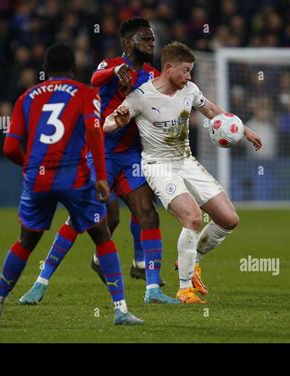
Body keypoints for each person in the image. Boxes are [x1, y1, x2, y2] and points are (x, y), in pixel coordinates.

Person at [20, 18, 178, 305]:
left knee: (147, 212)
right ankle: (40, 283)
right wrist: (117, 71)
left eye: (153, 39)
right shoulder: (111, 65)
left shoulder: (154, 75)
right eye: (147, 38)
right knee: (98, 217)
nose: (152, 43)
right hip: (99, 152)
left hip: (130, 153)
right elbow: (95, 79)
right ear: (130, 43)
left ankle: (152, 290)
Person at [0, 43, 143, 326]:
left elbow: (9, 147)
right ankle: (120, 310)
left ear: (44, 70)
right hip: (75, 177)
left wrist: (29, 167)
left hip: (38, 178)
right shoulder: (85, 94)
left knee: (25, 242)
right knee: (102, 236)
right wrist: (102, 178)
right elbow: (95, 134)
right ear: (74, 68)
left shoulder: (26, 97)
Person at [104, 41, 262, 303]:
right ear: (168, 68)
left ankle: (192, 259)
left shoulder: (190, 90)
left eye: (191, 71)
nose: (189, 76)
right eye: (186, 70)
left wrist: (244, 130)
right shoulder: (141, 96)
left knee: (229, 219)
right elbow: (110, 122)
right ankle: (185, 288)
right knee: (192, 218)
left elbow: (212, 111)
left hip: (186, 162)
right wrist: (113, 122)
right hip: (159, 167)